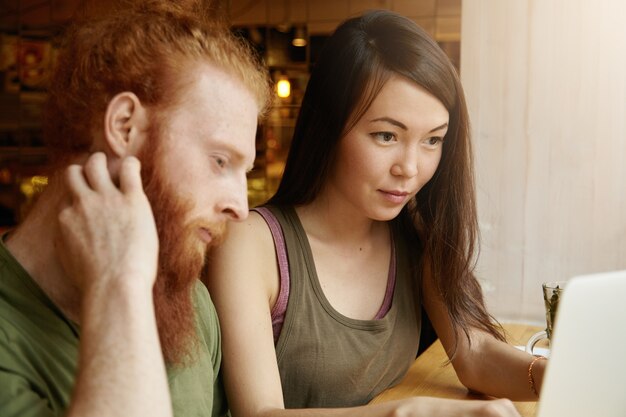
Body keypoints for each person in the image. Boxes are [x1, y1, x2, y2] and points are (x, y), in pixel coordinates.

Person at [208, 10, 545, 417]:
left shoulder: (413, 233)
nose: (411, 167)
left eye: (433, 140)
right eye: (387, 135)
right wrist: (409, 413)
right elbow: (260, 414)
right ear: (329, 127)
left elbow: (474, 355)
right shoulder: (250, 243)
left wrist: (564, 374)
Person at [0, 2, 269, 417]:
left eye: (243, 170)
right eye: (219, 161)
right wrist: (117, 283)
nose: (240, 207)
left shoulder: (191, 303)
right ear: (125, 126)